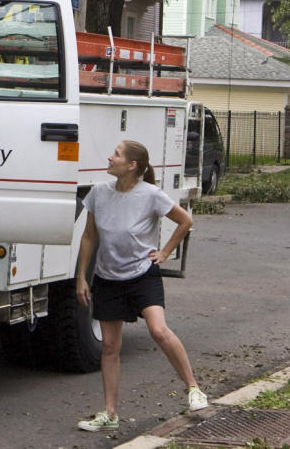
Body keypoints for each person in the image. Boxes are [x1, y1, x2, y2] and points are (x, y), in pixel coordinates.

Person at [75, 139, 207, 432]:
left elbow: (185, 221)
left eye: (117, 154)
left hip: (142, 275)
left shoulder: (151, 195)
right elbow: (88, 236)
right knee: (109, 346)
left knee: (158, 329)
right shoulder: (99, 193)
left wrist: (165, 252)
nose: (110, 157)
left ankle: (194, 389)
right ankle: (110, 414)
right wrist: (81, 276)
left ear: (131, 165)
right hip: (108, 278)